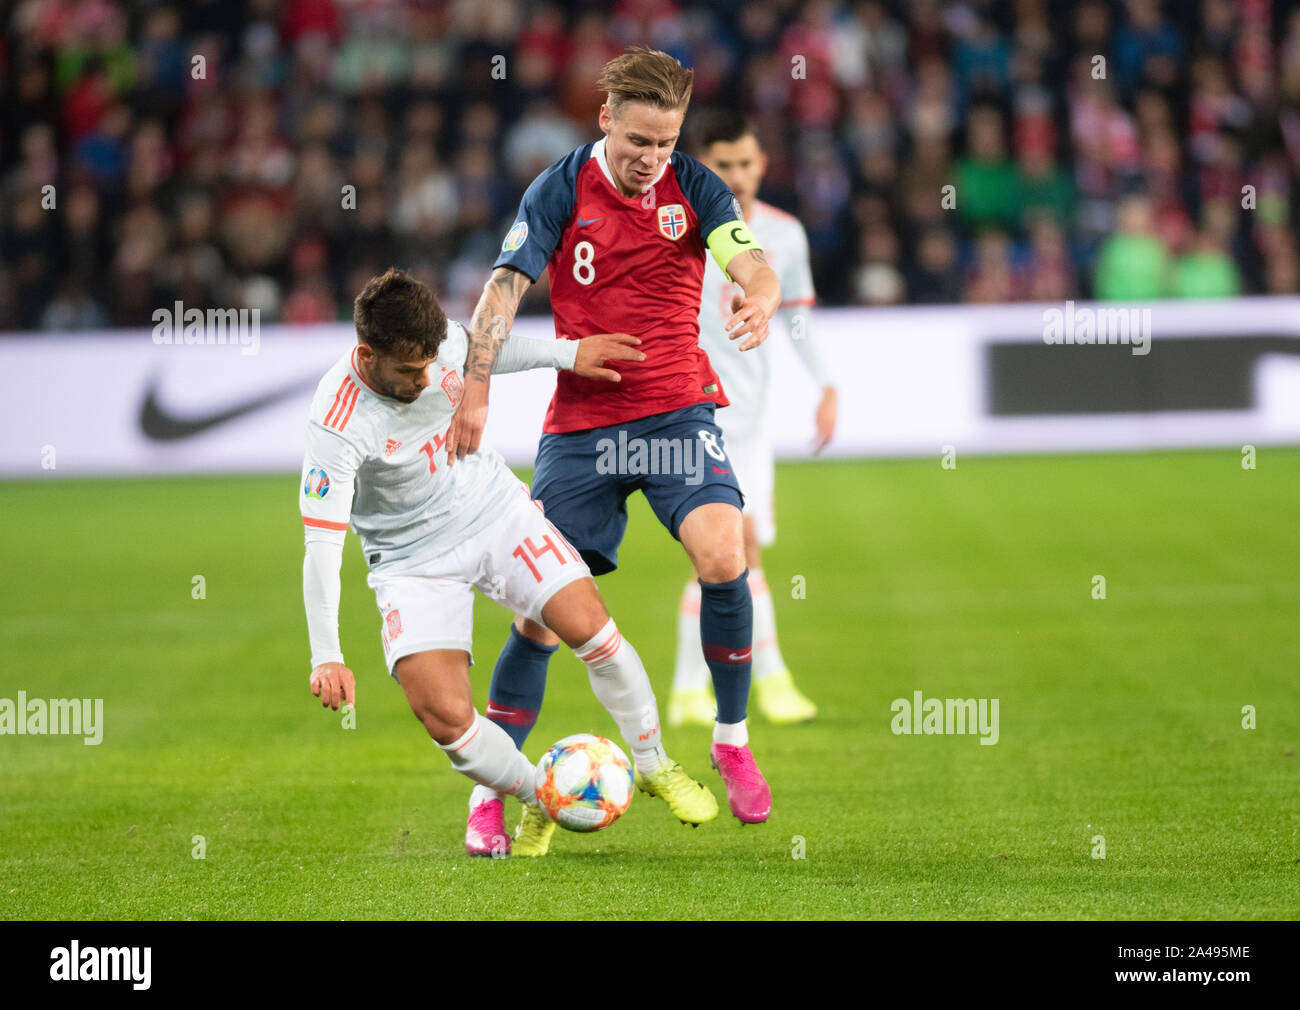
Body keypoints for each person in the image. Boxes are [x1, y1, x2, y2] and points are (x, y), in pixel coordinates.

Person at [444, 47, 783, 853]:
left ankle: (730, 740)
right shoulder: (558, 187)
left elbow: (749, 256)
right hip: (583, 430)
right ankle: (493, 793)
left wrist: (760, 295)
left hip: (675, 415)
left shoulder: (696, 186)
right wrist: (480, 389)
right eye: (638, 143)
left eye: (664, 144)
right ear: (606, 120)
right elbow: (503, 287)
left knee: (724, 553)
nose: (650, 161)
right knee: (537, 619)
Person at [300, 268, 717, 858]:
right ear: (366, 354)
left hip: (492, 510)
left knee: (591, 628)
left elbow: (490, 351)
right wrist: (327, 656)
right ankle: (540, 796)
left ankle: (652, 763)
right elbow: (321, 546)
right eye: (408, 372)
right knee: (445, 718)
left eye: (428, 366)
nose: (425, 381)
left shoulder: (436, 338)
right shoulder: (336, 424)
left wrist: (569, 354)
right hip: (410, 559)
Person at [669, 110, 834, 728]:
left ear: (762, 164)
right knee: (732, 552)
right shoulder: (676, 224)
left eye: (745, 163)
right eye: (723, 165)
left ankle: (689, 691)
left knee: (733, 554)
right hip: (693, 414)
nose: (736, 176)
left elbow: (795, 318)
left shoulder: (785, 235)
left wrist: (828, 385)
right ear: (702, 166)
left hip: (753, 422)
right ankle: (770, 681)